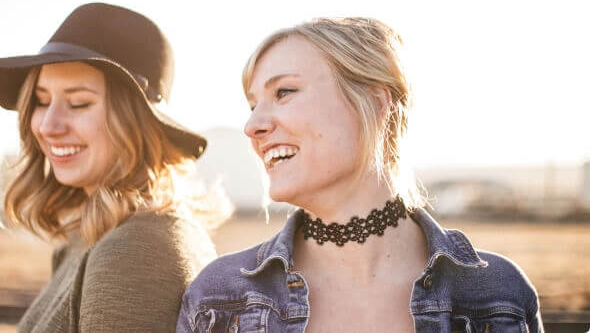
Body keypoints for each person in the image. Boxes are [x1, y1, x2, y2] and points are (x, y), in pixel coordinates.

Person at [177, 18, 543, 332]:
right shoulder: (217, 298)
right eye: (253, 105)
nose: (252, 125)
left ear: (376, 102)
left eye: (284, 92)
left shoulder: (499, 293)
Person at [0, 2, 226, 332]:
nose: (47, 126)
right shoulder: (93, 238)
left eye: (78, 103)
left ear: (136, 122)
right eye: (41, 101)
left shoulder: (134, 253)